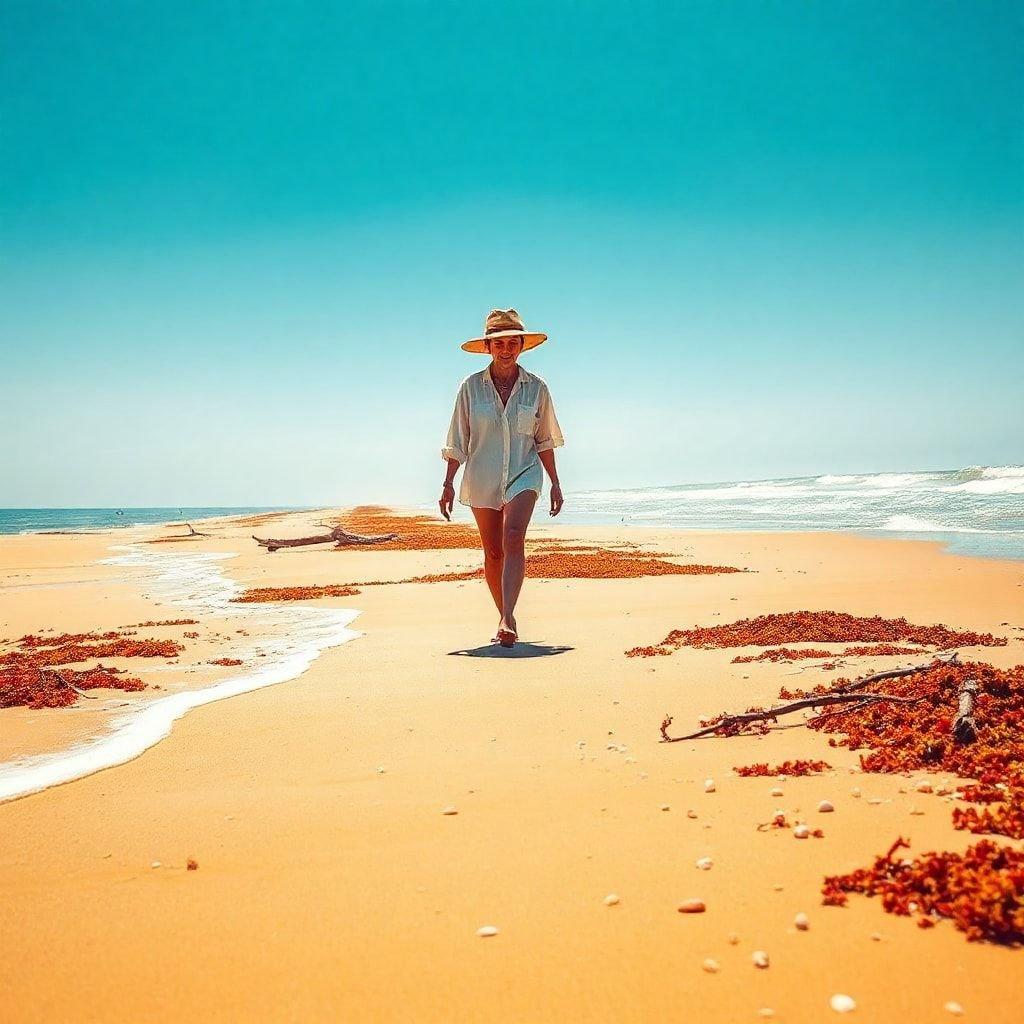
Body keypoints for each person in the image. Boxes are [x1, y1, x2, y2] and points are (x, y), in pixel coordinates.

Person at [440, 308, 565, 648]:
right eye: (499, 344)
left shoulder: (536, 389)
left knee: (513, 537)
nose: (506, 349)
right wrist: (448, 483)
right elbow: (458, 439)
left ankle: (507, 618)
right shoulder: (470, 389)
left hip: (525, 472)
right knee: (494, 552)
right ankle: (505, 615)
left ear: (521, 346)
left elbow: (545, 440)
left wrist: (555, 482)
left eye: (513, 343)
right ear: (489, 348)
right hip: (482, 475)